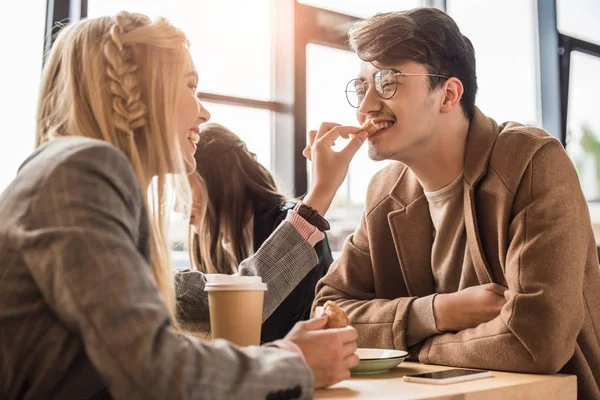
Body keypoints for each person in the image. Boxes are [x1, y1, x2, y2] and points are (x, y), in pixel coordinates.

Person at [0, 12, 367, 399]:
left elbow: (222, 300)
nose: (204, 112)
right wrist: (293, 359)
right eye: (190, 86)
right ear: (142, 90)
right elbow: (153, 370)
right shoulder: (82, 171)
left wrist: (318, 197)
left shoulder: (72, 176)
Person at [312, 7, 600, 400]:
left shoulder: (531, 162)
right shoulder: (384, 191)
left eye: (388, 81)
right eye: (362, 88)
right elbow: (327, 313)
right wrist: (437, 312)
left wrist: (408, 348)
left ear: (448, 94)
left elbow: (536, 339)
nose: (365, 107)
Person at [185, 122, 333, 343]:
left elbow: (269, 331)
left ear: (217, 181)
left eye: (184, 188)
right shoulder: (220, 246)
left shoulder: (293, 226)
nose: (179, 206)